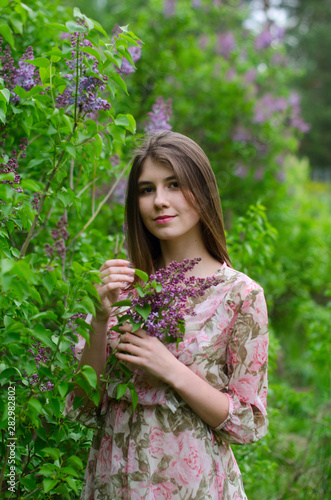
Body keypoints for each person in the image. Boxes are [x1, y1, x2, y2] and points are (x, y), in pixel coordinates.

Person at [65, 131, 269, 500]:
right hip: (115, 481)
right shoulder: (121, 285)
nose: (159, 201)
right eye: (146, 189)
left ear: (203, 191)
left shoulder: (241, 294)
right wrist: (98, 318)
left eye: (174, 184)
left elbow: (245, 423)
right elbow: (82, 405)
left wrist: (171, 370)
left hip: (192, 485)